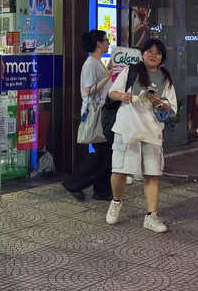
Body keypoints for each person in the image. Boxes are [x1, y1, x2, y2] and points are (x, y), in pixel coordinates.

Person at [105, 38, 177, 233]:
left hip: (152, 131)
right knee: (120, 171)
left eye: (158, 52)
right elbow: (112, 93)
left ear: (162, 57)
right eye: (150, 51)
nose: (154, 55)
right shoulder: (131, 71)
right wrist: (122, 96)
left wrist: (158, 103)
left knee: (152, 174)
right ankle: (116, 201)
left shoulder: (165, 78)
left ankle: (151, 216)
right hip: (127, 128)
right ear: (143, 53)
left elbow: (170, 108)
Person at [63, 30, 113, 201]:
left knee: (104, 153)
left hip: (102, 112)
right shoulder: (91, 64)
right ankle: (75, 183)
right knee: (102, 153)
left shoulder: (97, 63)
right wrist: (106, 78)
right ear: (98, 43)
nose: (108, 43)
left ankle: (101, 189)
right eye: (106, 40)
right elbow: (89, 90)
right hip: (95, 113)